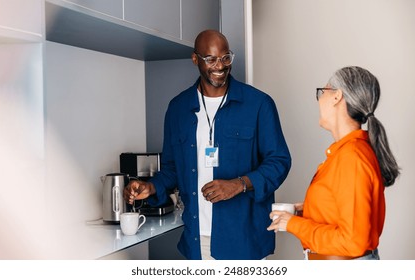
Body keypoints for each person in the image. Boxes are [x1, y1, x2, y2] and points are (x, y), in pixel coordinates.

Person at [123, 30, 291, 260]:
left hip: (244, 240)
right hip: (196, 239)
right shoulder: (178, 108)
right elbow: (172, 168)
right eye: (210, 59)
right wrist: (150, 188)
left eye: (225, 57)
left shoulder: (259, 104)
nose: (220, 65)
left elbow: (279, 162)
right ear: (195, 60)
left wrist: (238, 184)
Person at [267, 66, 400, 260]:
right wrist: (311, 209)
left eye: (322, 92)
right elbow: (347, 211)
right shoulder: (347, 153)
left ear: (337, 96)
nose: (319, 100)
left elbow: (353, 241)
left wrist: (293, 224)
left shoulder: (352, 158)